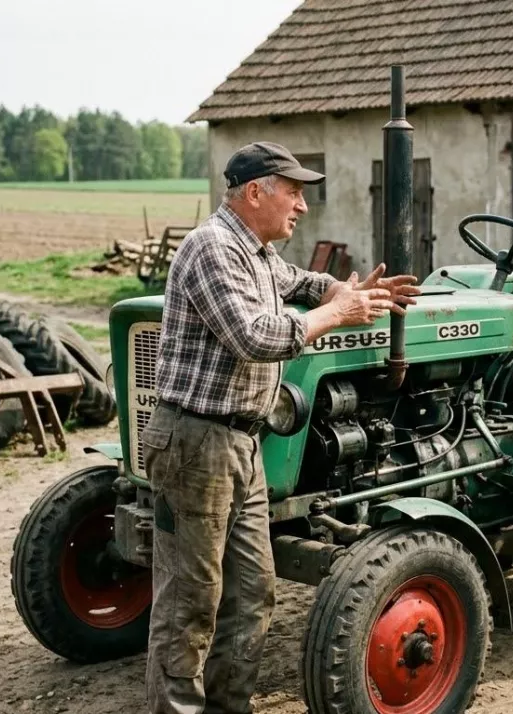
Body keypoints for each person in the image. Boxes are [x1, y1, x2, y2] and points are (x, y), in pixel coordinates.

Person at [140, 141, 421, 714]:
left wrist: (350, 291)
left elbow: (301, 282)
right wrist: (336, 314)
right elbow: (256, 337)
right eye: (292, 192)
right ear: (255, 192)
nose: (301, 206)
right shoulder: (211, 249)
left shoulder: (258, 254)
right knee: (191, 600)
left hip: (243, 442)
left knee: (251, 592)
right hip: (198, 441)